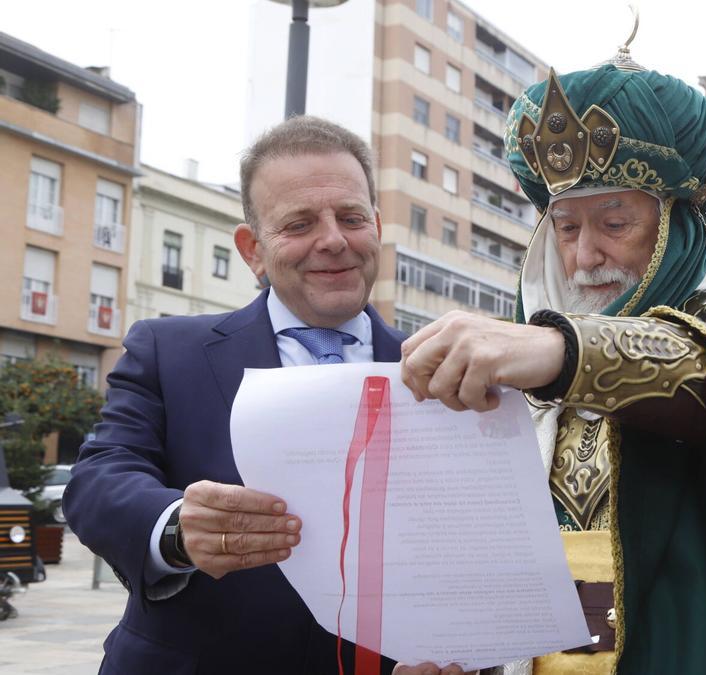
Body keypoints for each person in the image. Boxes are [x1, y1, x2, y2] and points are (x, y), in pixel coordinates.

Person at [398, 44, 706, 674]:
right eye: (566, 229)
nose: (585, 255)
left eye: (614, 223)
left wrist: (563, 349)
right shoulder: (515, 373)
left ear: (677, 226)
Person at [64, 116, 461, 675]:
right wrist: (177, 527)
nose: (333, 240)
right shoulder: (168, 351)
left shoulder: (442, 374)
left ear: (375, 226)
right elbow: (97, 480)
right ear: (252, 249)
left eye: (350, 218)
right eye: (299, 223)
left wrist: (462, 653)